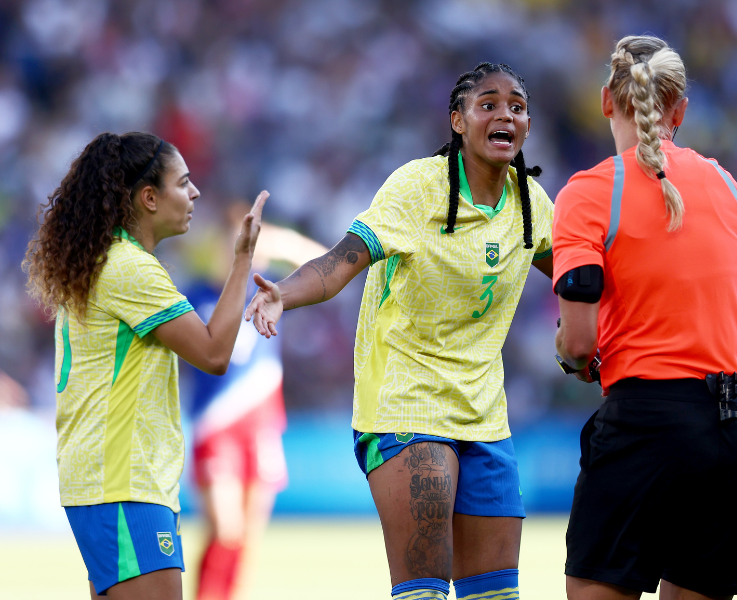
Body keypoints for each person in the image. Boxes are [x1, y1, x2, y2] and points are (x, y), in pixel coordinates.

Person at [244, 63, 554, 600]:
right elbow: (341, 262)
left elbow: (581, 276)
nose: (506, 113)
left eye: (518, 106)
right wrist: (282, 294)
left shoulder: (531, 203)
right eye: (489, 104)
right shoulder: (417, 188)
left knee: (497, 595)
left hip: (485, 415)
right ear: (457, 120)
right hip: (405, 405)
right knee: (424, 592)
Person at [552, 35, 737, 600]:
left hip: (649, 421)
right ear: (681, 109)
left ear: (606, 100)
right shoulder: (731, 188)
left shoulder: (587, 194)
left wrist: (573, 354)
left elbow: (581, 343)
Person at [22, 131, 267, 600]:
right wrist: (242, 262)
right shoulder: (129, 269)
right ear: (149, 198)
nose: (195, 193)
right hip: (122, 485)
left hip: (109, 482)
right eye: (184, 183)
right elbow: (215, 354)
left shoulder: (103, 262)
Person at [187, 215, 327, 600]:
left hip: (262, 424)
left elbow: (329, 264)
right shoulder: (197, 293)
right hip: (215, 425)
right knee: (226, 530)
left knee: (247, 540)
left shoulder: (270, 292)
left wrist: (281, 242)